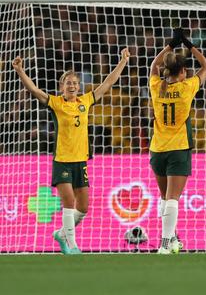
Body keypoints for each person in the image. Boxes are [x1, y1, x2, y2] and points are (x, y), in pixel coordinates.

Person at [13, 47, 130, 254]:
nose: (73, 86)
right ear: (62, 87)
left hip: (80, 161)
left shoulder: (85, 101)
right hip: (62, 160)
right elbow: (35, 91)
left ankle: (62, 233)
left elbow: (108, 83)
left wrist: (123, 61)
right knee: (68, 201)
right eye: (69, 83)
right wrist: (20, 71)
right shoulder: (57, 103)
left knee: (83, 207)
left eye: (75, 83)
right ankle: (71, 245)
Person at [149, 28, 206, 254]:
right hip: (178, 149)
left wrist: (171, 45)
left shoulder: (157, 86)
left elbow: (153, 66)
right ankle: (165, 244)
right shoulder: (187, 88)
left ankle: (172, 239)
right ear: (184, 71)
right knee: (173, 199)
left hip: (157, 149)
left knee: (165, 198)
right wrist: (188, 44)